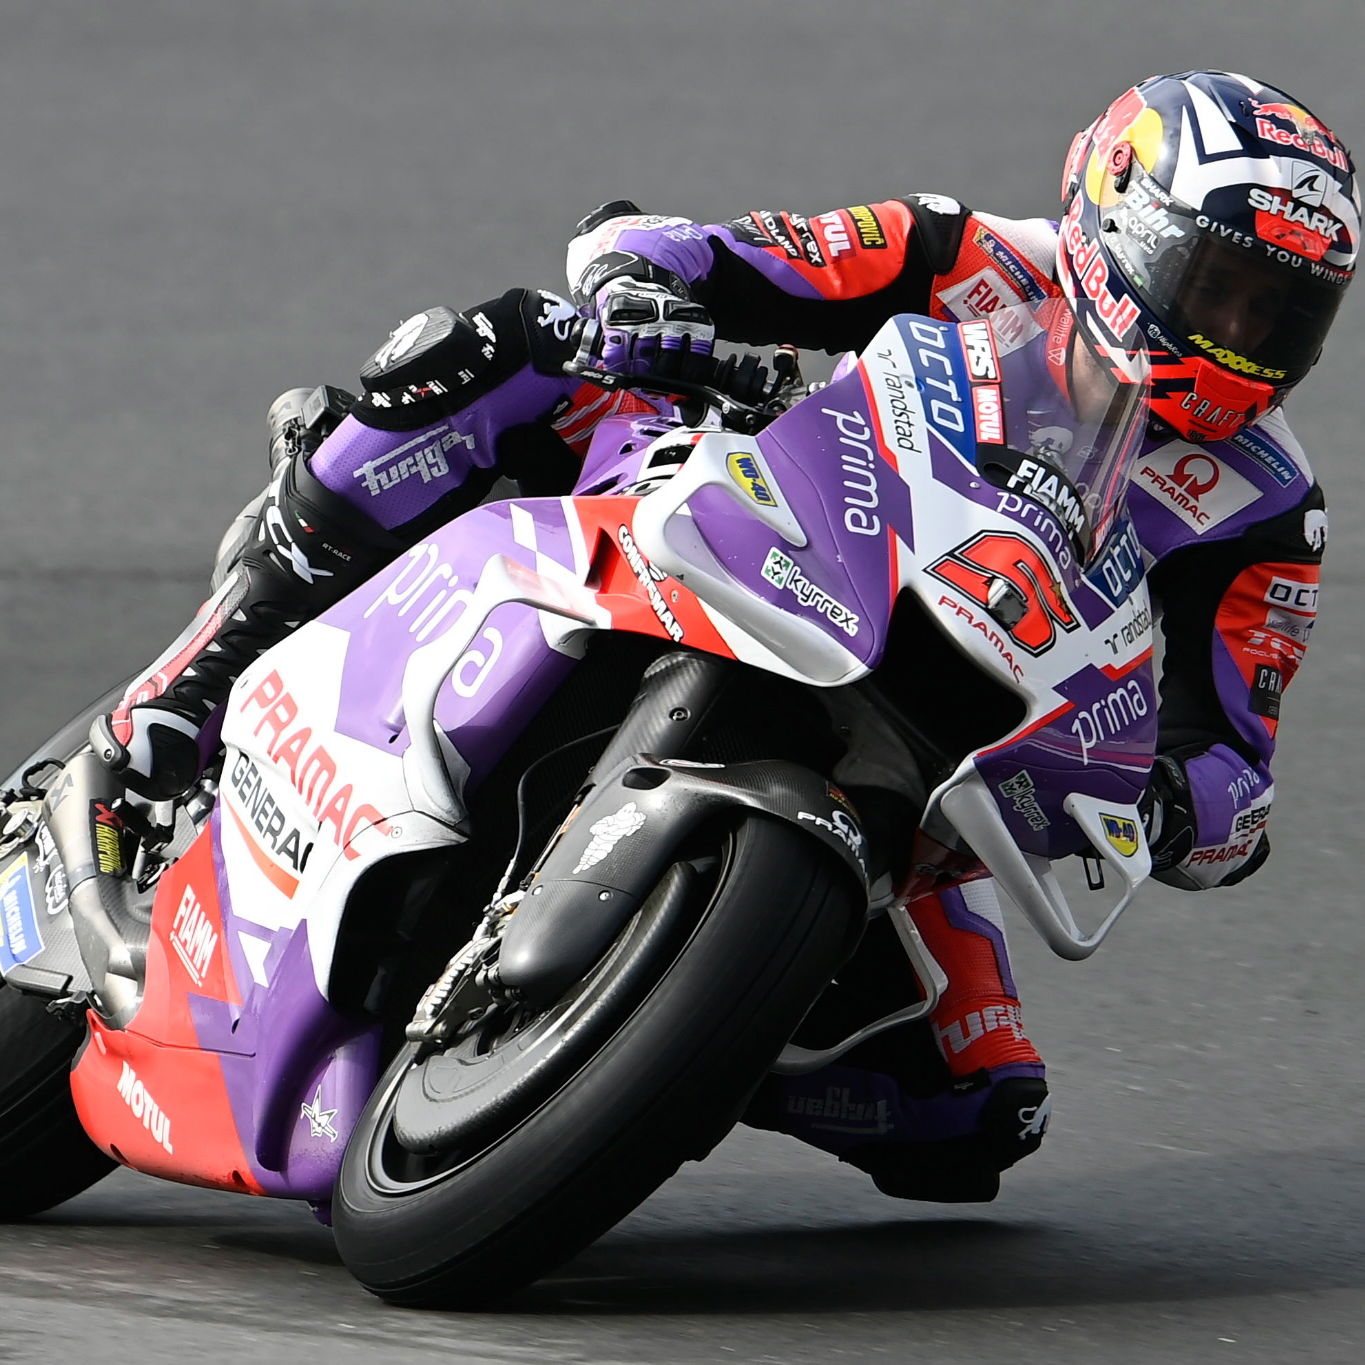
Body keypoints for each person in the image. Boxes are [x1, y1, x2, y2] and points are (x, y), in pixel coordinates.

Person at [92, 70, 1358, 1202]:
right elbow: (708, 252)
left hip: (933, 763)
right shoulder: (968, 257)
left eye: (1278, 313)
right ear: (1122, 222)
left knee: (970, 1119)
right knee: (526, 347)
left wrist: (1190, 809)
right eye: (1218, 285)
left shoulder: (1268, 506)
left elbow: (1235, 748)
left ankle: (665, 1024)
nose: (1241, 333)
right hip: (765, 534)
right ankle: (188, 688)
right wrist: (648, 283)